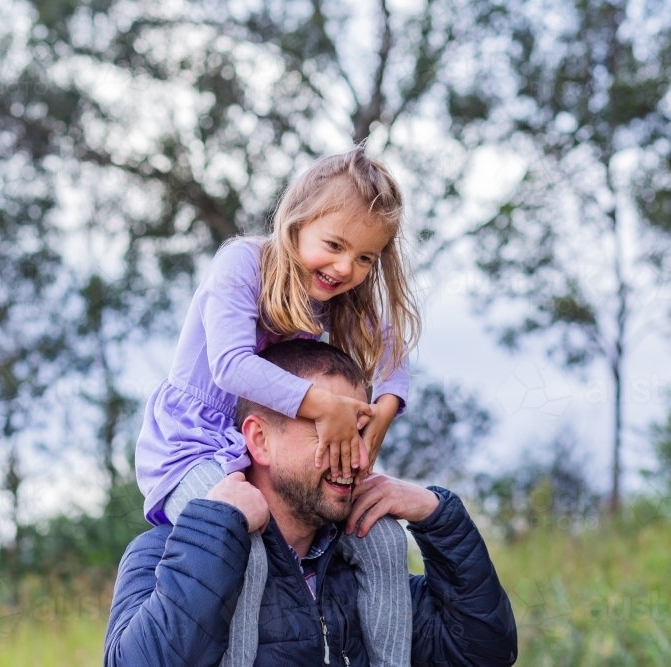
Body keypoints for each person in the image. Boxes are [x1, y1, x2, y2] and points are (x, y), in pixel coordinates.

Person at [134, 147, 420, 666]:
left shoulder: (336, 296)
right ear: (295, 224)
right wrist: (325, 407)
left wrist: (385, 407)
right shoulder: (244, 262)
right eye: (334, 245)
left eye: (365, 258)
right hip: (192, 448)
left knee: (381, 540)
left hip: (264, 450)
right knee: (245, 545)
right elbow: (230, 366)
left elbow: (392, 346)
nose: (345, 268)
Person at [107, 340, 517, 667]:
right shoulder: (166, 555)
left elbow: (484, 654)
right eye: (330, 433)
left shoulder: (368, 576)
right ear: (260, 440)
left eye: (360, 434)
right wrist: (218, 528)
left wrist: (438, 516)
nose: (356, 458)